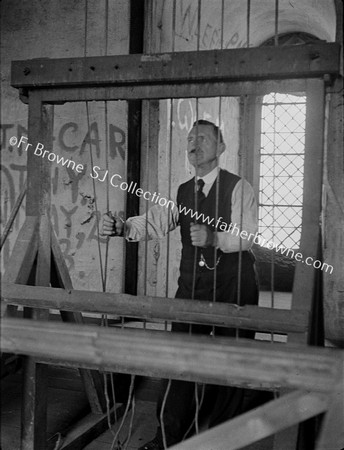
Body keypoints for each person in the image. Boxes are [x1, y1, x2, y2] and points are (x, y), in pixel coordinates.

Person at [102, 120, 260, 449]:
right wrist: (124, 226)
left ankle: (219, 438)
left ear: (221, 148)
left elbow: (248, 235)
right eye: (190, 139)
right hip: (191, 286)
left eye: (203, 139)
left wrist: (215, 237)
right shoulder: (184, 191)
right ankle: (167, 437)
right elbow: (158, 221)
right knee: (180, 359)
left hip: (234, 285)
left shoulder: (238, 187)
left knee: (232, 361)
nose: (194, 144)